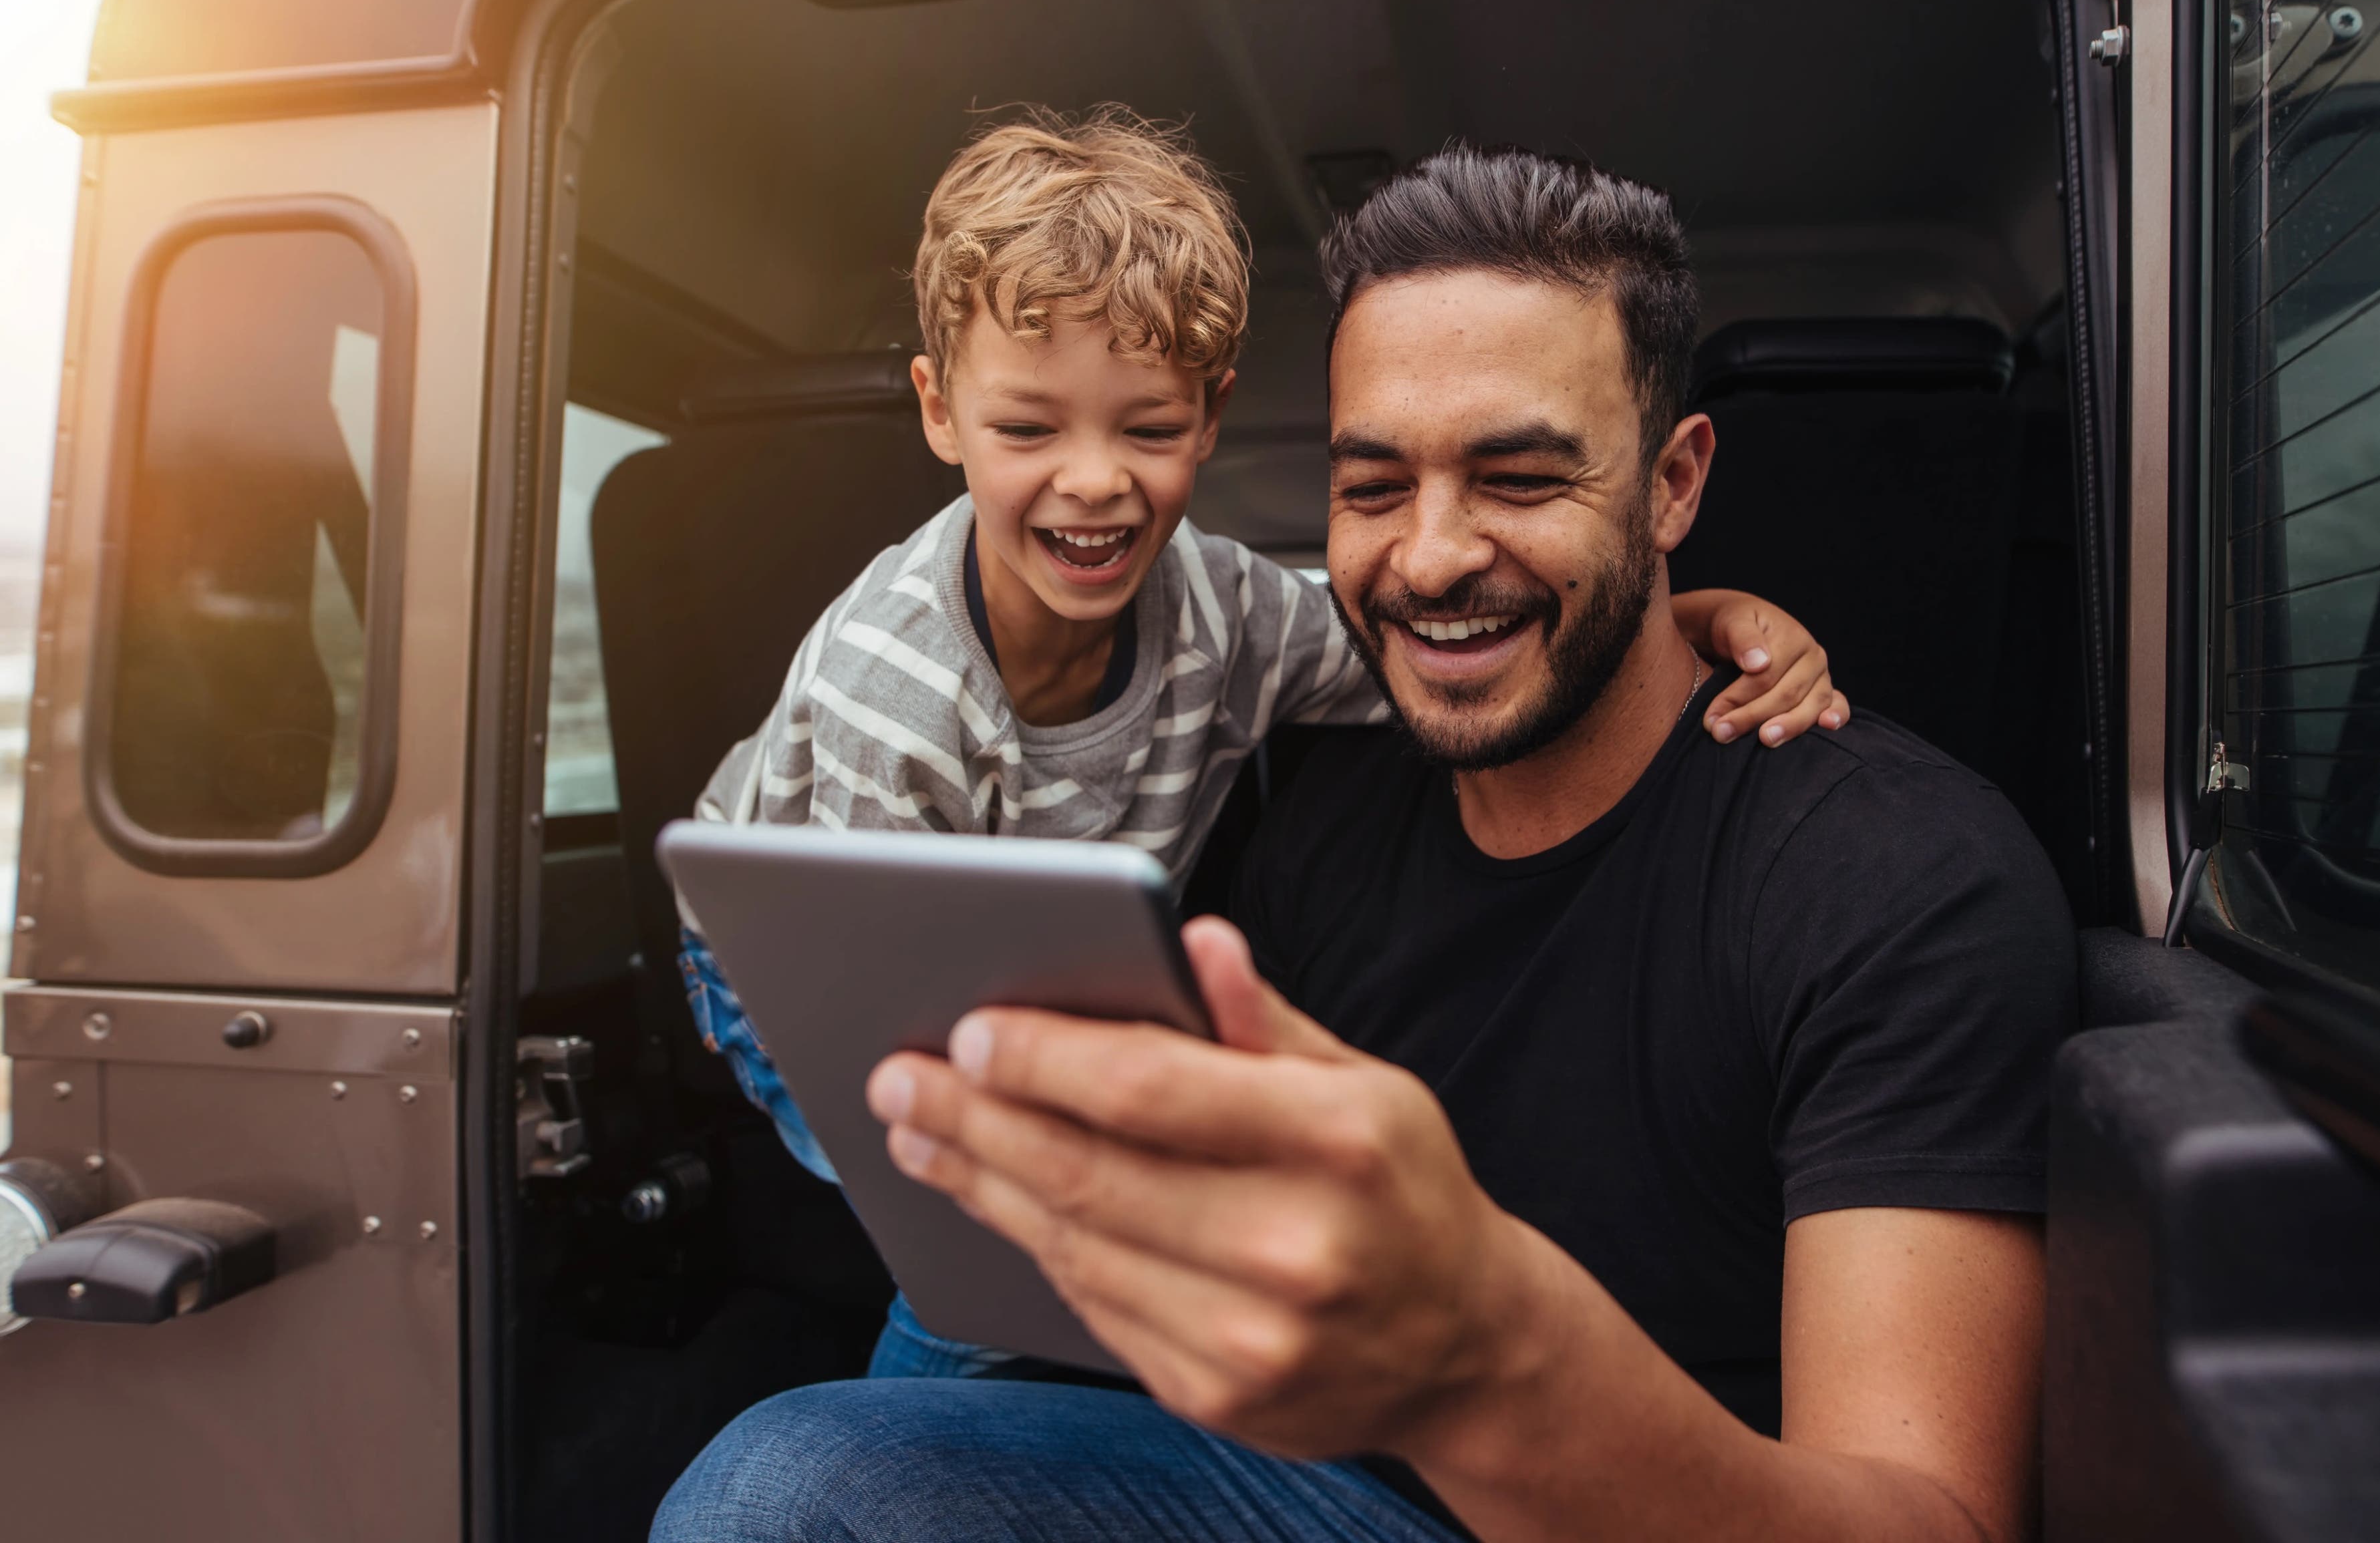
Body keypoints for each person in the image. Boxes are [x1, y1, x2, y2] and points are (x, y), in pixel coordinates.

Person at [654, 144, 2077, 1543]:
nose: (1433, 556)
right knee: (785, 1478)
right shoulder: (1321, 814)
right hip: (1291, 1465)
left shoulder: (1896, 880)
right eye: (1374, 486)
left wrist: (1483, 1356)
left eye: (1519, 476)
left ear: (1673, 484)